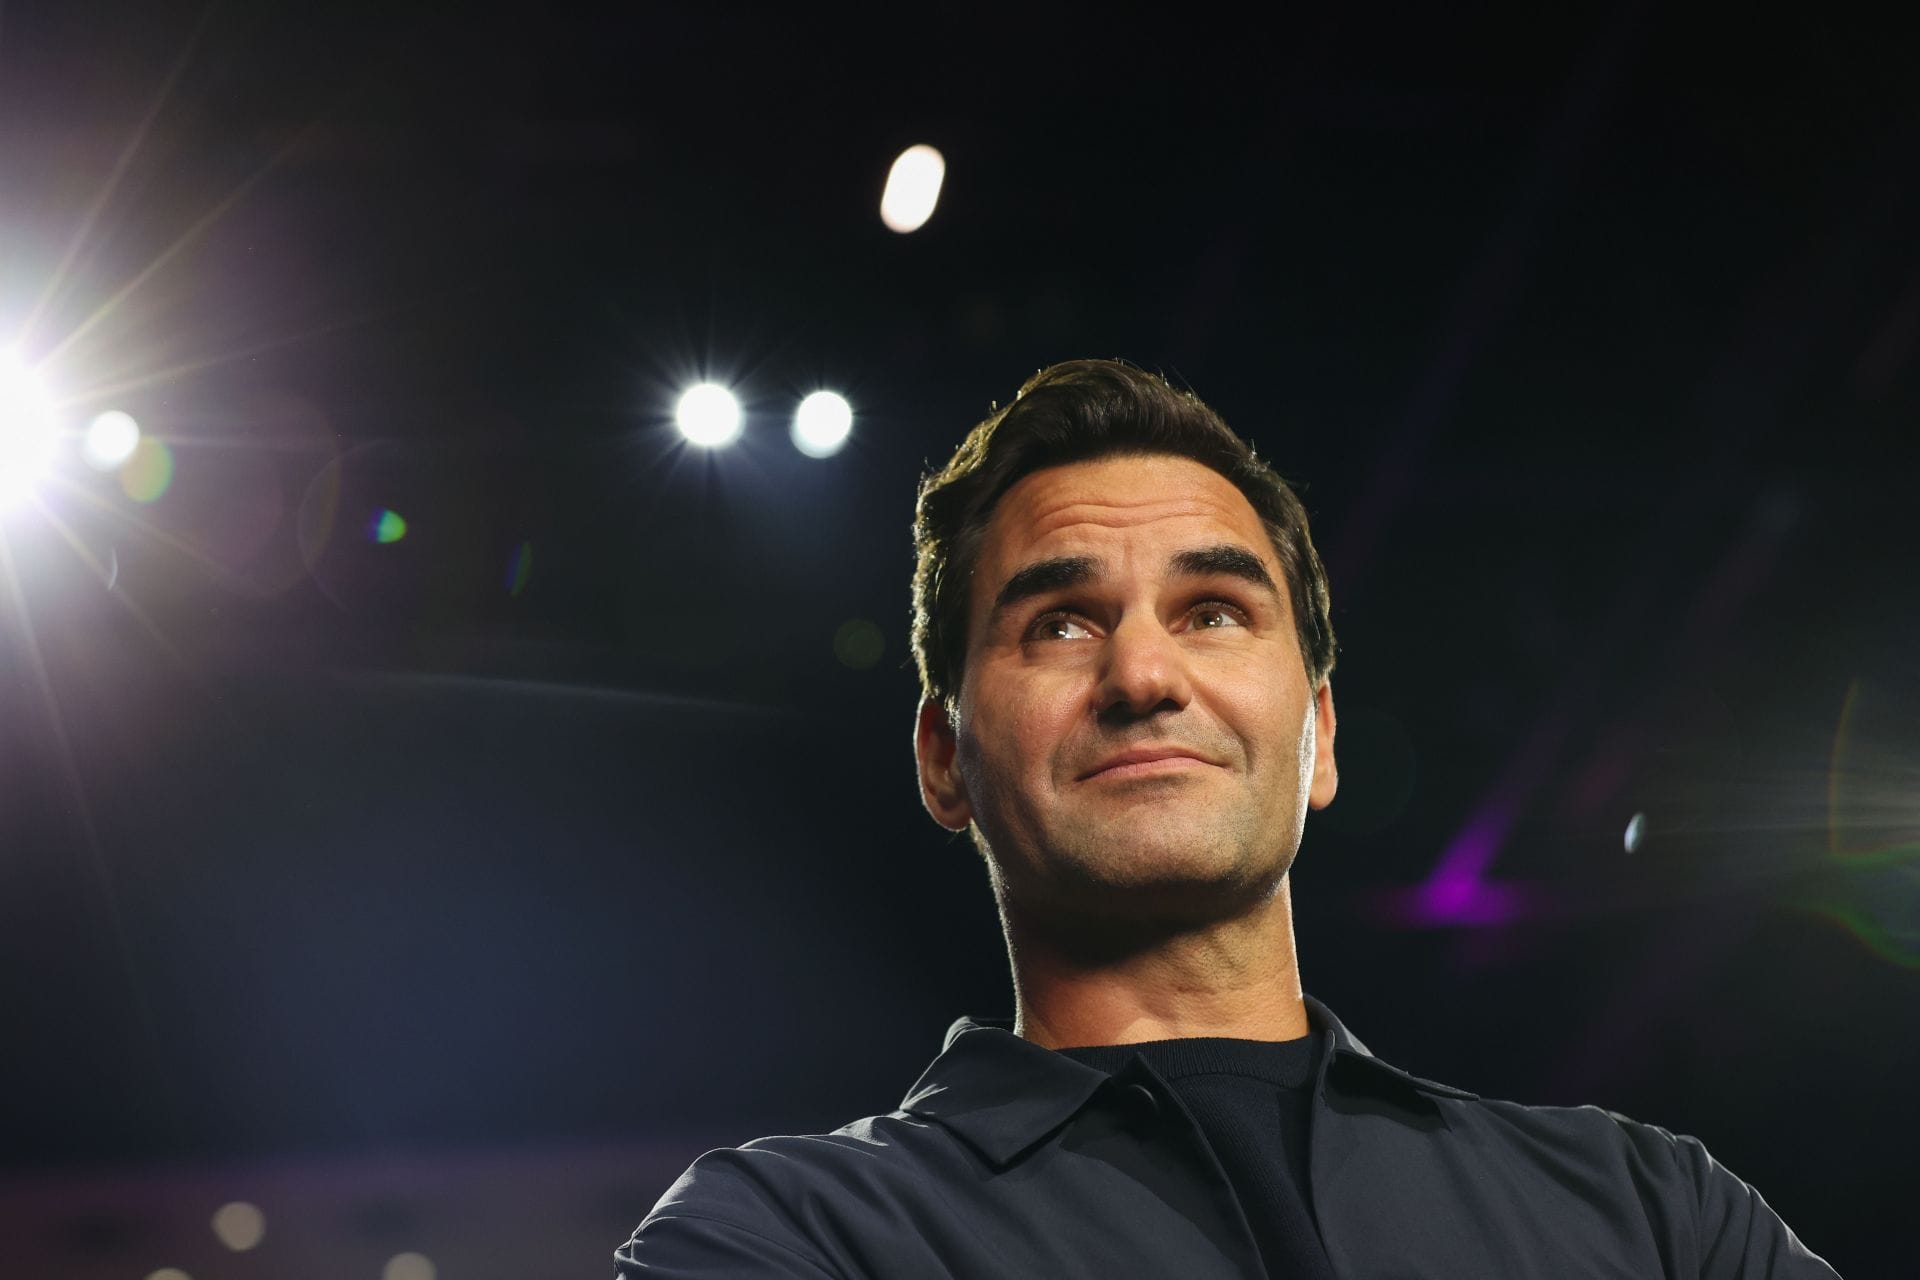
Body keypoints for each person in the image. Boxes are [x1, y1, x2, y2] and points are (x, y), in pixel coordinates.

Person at [615, 359, 1838, 1278]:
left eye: (1212, 610)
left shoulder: (1653, 1211)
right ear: (946, 757)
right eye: (1061, 622)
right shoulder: (785, 1240)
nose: (1143, 674)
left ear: (1320, 733)